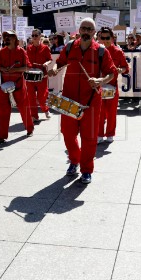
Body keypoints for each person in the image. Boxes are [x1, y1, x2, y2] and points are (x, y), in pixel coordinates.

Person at [48, 18, 116, 184]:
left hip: (91, 100)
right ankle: (74, 160)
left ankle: (86, 169)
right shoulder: (71, 46)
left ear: (94, 33)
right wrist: (55, 69)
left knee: (89, 137)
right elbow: (61, 62)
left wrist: (100, 81)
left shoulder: (101, 51)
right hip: (69, 98)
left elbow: (111, 73)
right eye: (83, 28)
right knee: (68, 133)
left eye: (89, 29)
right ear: (79, 30)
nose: (86, 32)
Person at [0, 30, 34, 143]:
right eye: (5, 37)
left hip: (19, 84)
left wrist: (14, 69)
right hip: (5, 85)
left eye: (9, 37)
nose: (6, 39)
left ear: (14, 38)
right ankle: (1, 135)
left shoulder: (21, 52)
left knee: (23, 108)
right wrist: (3, 69)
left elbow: (27, 67)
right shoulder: (2, 52)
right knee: (3, 110)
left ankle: (29, 128)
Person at [97, 27, 129, 143]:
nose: (105, 40)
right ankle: (99, 134)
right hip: (99, 87)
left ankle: (110, 133)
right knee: (99, 113)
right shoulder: (96, 50)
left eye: (107, 38)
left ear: (112, 38)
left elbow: (126, 68)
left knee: (111, 113)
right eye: (102, 38)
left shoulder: (118, 51)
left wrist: (120, 70)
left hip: (112, 87)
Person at [26, 28, 53, 124]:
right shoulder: (28, 48)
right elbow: (26, 60)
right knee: (31, 97)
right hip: (30, 75)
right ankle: (34, 116)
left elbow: (50, 59)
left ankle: (45, 110)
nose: (33, 37)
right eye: (32, 36)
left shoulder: (45, 48)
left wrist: (46, 63)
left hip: (42, 75)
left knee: (41, 97)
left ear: (40, 36)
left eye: (35, 35)